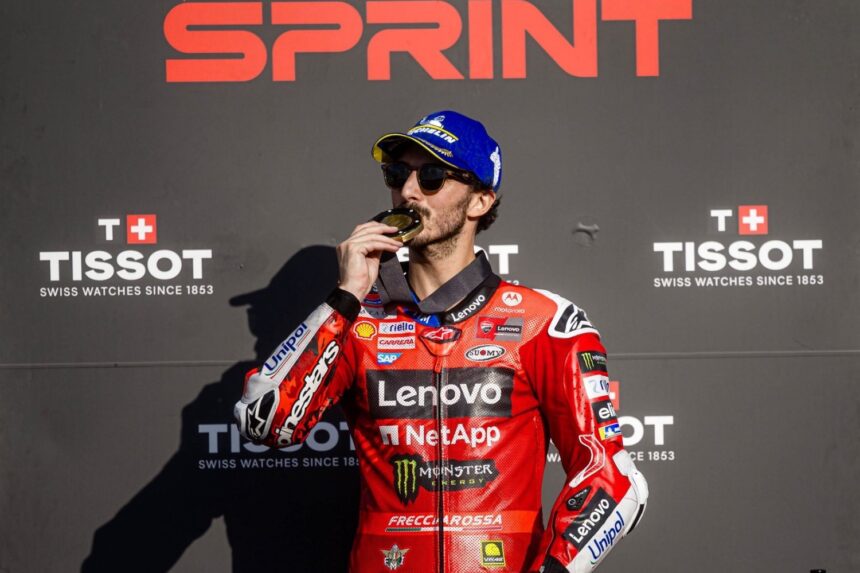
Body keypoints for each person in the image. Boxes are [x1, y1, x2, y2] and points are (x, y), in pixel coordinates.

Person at [234, 110, 648, 572]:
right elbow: (265, 424)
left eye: (431, 176)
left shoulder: (545, 323)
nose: (408, 191)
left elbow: (614, 479)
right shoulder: (355, 320)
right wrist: (346, 297)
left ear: (480, 201)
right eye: (397, 174)